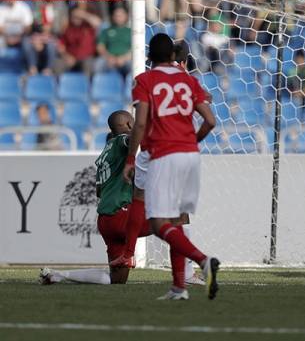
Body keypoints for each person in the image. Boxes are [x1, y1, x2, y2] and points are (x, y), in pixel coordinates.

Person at [123, 33, 219, 301]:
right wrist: (192, 141)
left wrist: (130, 159)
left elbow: (141, 123)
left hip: (164, 154)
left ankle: (203, 260)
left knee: (158, 223)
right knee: (177, 220)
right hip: (190, 155)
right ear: (174, 56)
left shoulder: (144, 80)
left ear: (149, 56)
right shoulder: (189, 80)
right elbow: (211, 121)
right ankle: (179, 287)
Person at [40, 111, 152, 285]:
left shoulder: (105, 153)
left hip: (106, 220)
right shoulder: (121, 141)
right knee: (174, 219)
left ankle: (59, 275)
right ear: (129, 125)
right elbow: (133, 138)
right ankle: (187, 273)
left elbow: (99, 191)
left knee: (116, 281)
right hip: (121, 216)